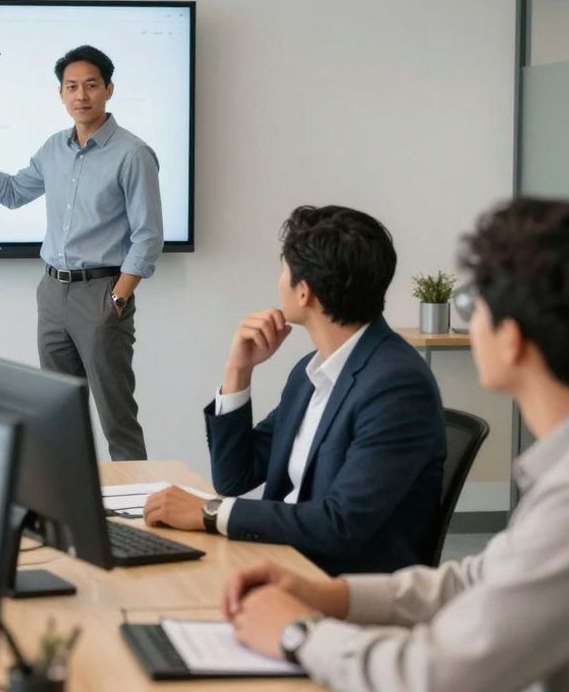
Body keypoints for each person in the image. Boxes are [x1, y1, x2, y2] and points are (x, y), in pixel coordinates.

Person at [224, 198, 569, 691]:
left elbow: (439, 674)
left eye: (471, 302)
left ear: (510, 339)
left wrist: (297, 633)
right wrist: (332, 597)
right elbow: (480, 577)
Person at [144, 205, 445, 575]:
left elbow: (340, 524)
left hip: (338, 587)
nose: (278, 281)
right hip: (284, 562)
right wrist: (239, 370)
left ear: (304, 293)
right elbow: (234, 477)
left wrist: (209, 513)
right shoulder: (311, 372)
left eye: (283, 270)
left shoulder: (396, 385)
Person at [0, 44, 162, 460]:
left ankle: (135, 518)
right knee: (57, 417)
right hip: (53, 293)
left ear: (109, 89)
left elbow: (148, 236)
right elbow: (13, 193)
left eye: (91, 85)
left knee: (117, 419)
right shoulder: (54, 148)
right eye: (71, 86)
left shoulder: (133, 153)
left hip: (103, 294)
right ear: (61, 94)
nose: (81, 95)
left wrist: (119, 297)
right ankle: (70, 512)